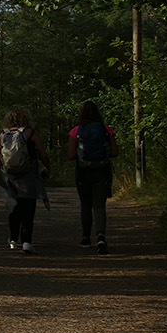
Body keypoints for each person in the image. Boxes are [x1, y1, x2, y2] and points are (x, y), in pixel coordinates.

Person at [0, 107, 51, 254]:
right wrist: (48, 167)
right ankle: (26, 242)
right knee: (28, 209)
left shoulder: (3, 134)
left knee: (14, 208)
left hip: (9, 176)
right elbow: (42, 153)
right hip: (28, 176)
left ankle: (12, 239)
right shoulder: (31, 133)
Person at [67, 100, 120, 253]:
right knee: (99, 205)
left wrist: (82, 155)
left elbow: (71, 155)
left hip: (83, 172)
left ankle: (85, 238)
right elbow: (115, 153)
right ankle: (101, 236)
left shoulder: (76, 131)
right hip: (102, 171)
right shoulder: (106, 129)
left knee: (85, 204)